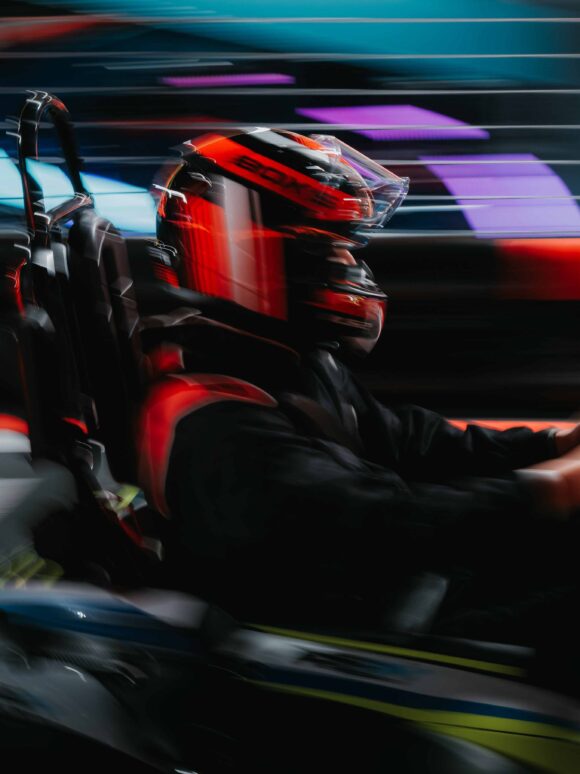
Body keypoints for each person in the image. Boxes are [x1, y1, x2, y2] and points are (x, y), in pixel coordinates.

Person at [138, 128, 580, 643]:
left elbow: (411, 442)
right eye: (329, 247)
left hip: (396, 593)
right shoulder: (213, 416)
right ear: (247, 252)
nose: (351, 266)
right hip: (345, 641)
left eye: (348, 247)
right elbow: (374, 524)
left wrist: (554, 445)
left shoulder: (281, 361)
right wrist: (549, 490)